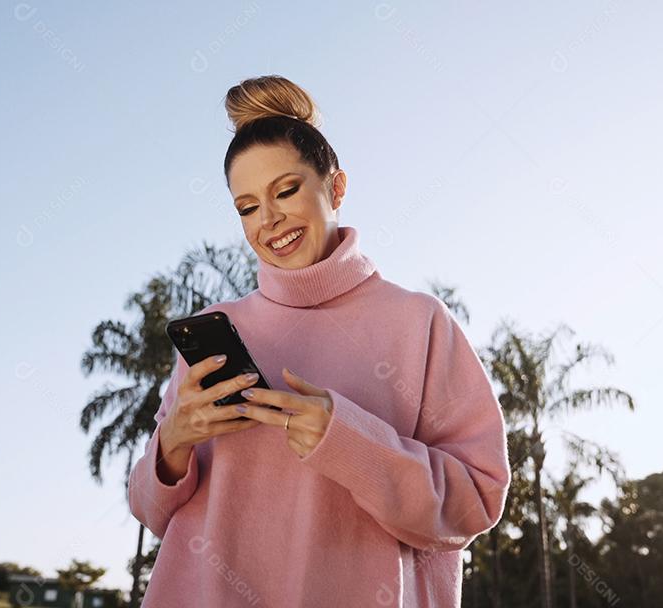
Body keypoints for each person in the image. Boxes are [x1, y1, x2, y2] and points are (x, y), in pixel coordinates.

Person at [128, 74, 511, 607]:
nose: (269, 219)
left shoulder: (420, 322)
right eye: (247, 206)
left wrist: (347, 440)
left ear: (335, 187)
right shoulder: (219, 325)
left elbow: (476, 503)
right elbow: (149, 509)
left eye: (286, 190)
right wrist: (172, 443)